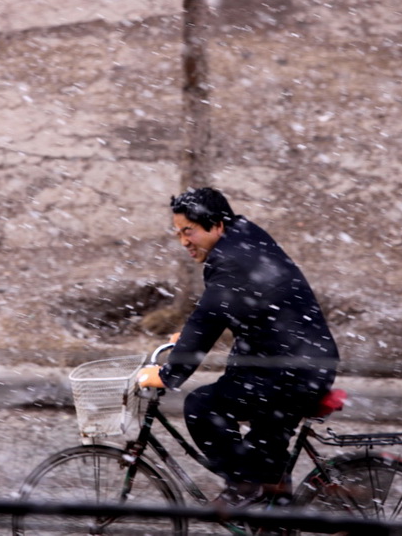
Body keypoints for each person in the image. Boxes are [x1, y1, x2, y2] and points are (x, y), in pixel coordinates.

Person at [137, 187, 339, 507]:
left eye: (188, 231)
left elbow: (209, 316)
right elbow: (233, 306)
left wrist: (168, 374)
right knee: (266, 456)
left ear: (216, 225)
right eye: (178, 233)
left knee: (204, 408)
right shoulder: (244, 236)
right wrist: (186, 337)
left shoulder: (231, 259)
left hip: (288, 372)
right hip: (302, 362)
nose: (183, 242)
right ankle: (274, 515)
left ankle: (246, 487)